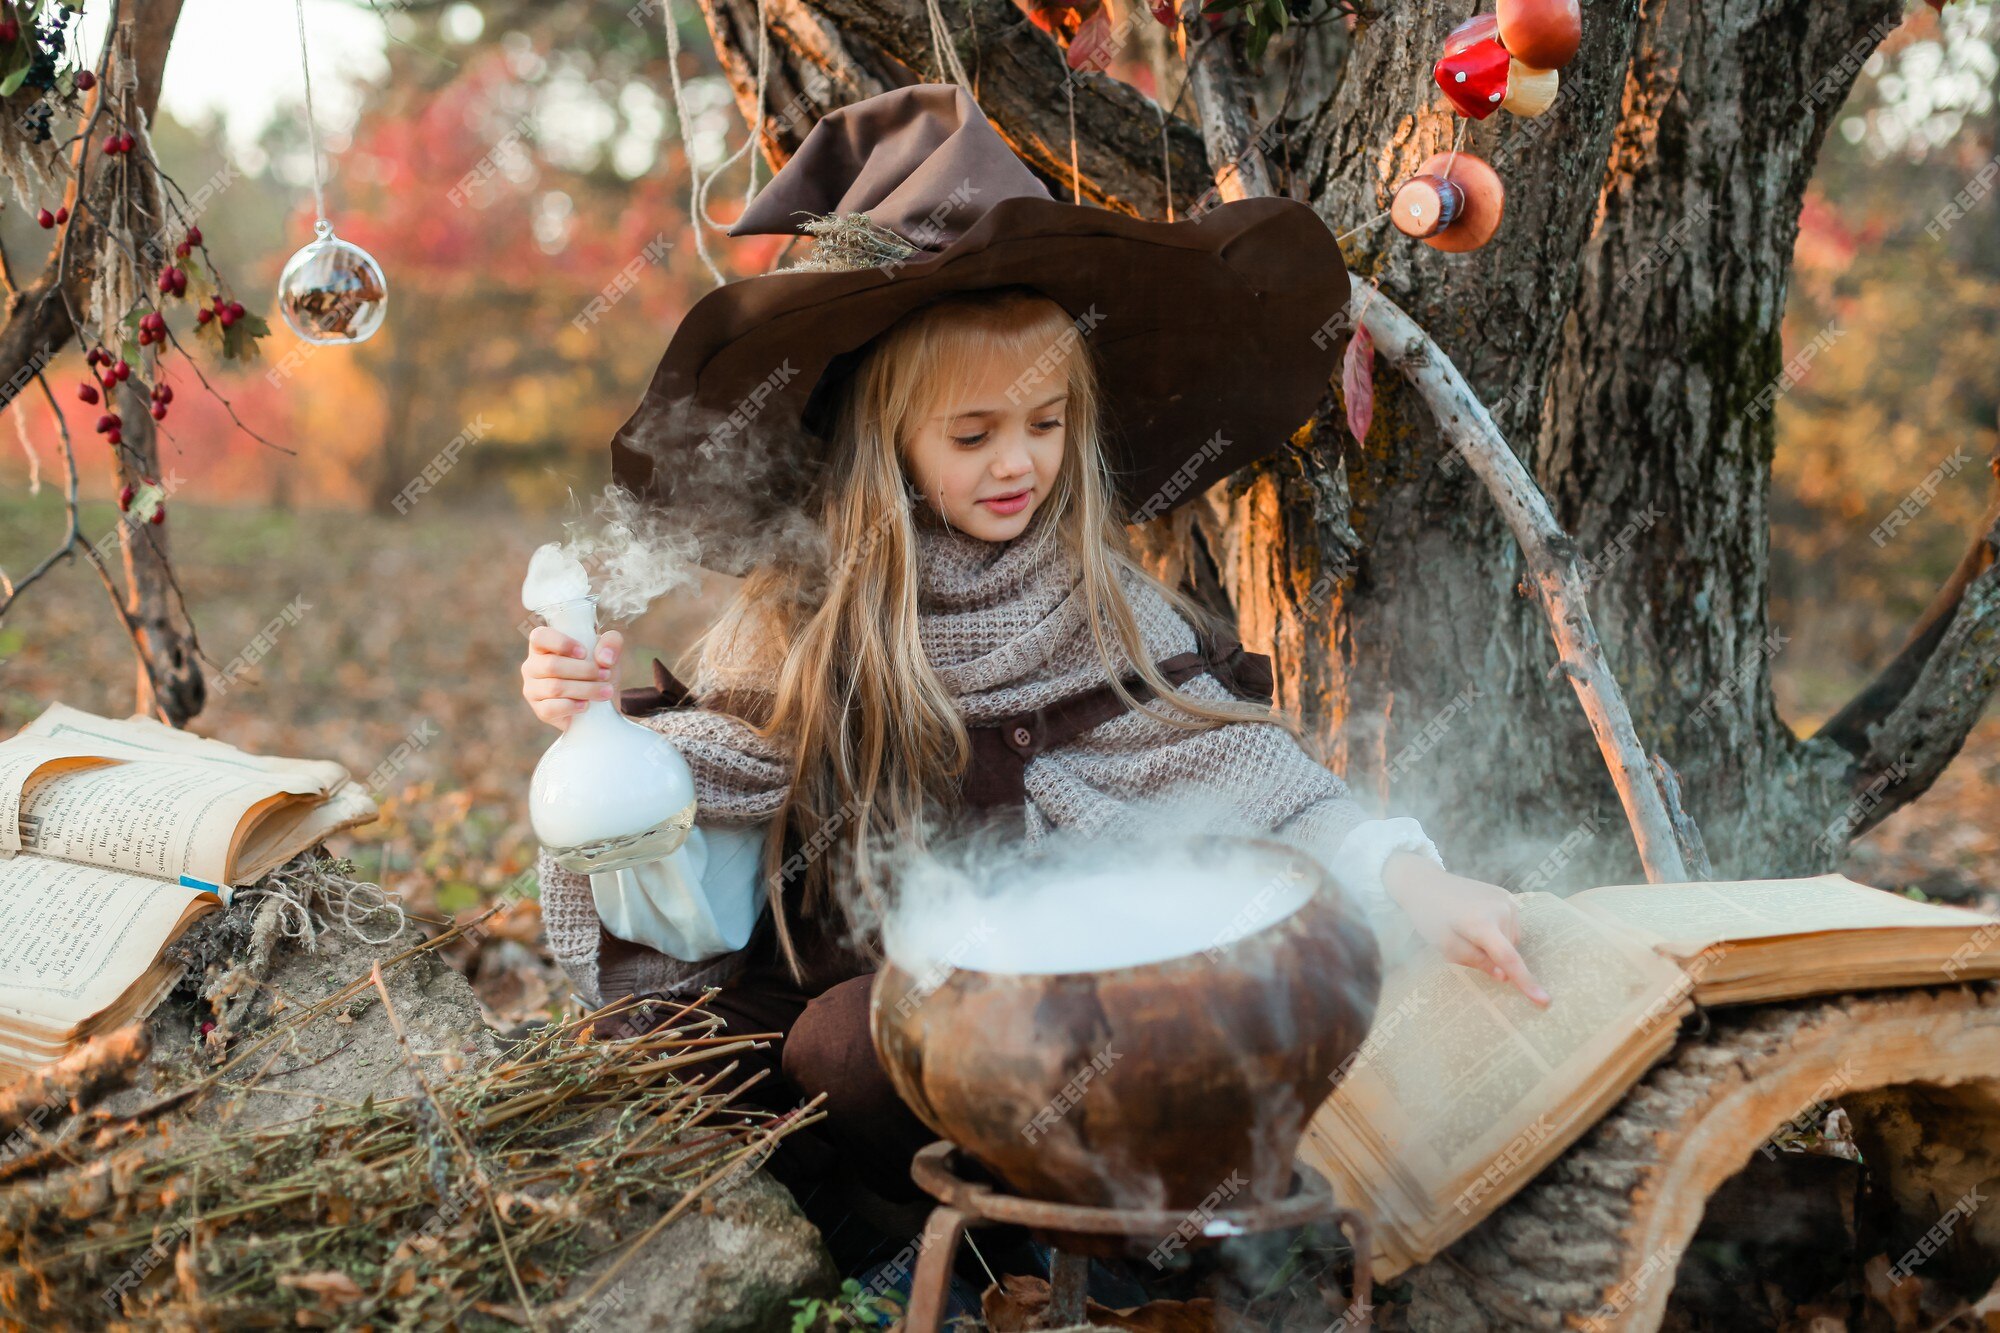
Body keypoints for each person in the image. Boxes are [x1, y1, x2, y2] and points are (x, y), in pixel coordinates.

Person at [520, 83, 1548, 1284]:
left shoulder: (1100, 602)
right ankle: (888, 1266)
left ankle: (1088, 1261)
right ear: (888, 436)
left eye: (1047, 423)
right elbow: (688, 829)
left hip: (1083, 1031)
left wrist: (1415, 885)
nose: (1019, 464)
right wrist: (597, 738)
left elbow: (1252, 787)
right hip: (869, 1062)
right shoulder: (801, 622)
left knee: (962, 1035)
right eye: (972, 436)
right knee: (806, 1047)